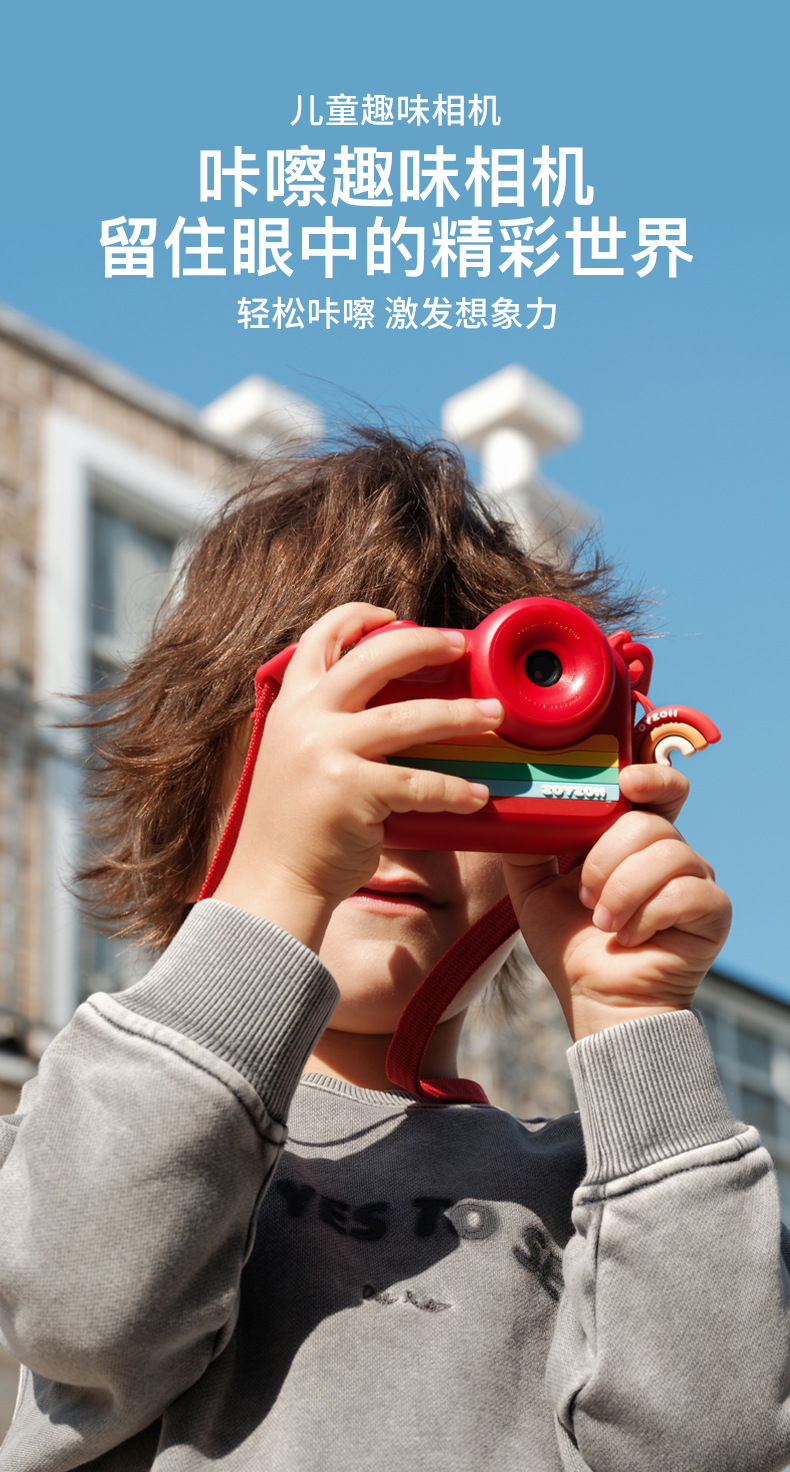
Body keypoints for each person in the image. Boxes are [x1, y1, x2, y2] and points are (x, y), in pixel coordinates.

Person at [0, 427, 786, 1472]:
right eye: (361, 757)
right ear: (199, 812)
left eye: (468, 760)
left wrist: (635, 1029)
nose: (399, 819)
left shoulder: (602, 1194)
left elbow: (717, 1444)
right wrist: (277, 886)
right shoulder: (101, 1118)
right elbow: (83, 1312)